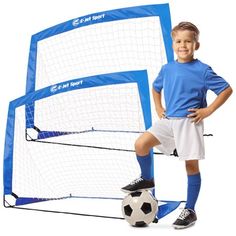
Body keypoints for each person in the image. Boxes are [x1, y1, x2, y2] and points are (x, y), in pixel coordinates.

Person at [121, 22, 233, 229]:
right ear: (173, 44)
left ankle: (190, 210)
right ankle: (146, 178)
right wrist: (158, 106)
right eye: (179, 41)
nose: (183, 45)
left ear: (196, 45)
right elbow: (156, 88)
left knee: (190, 165)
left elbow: (226, 90)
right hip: (168, 120)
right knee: (141, 144)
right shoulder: (167, 68)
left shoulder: (203, 70)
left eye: (188, 41)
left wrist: (208, 111)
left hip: (190, 123)